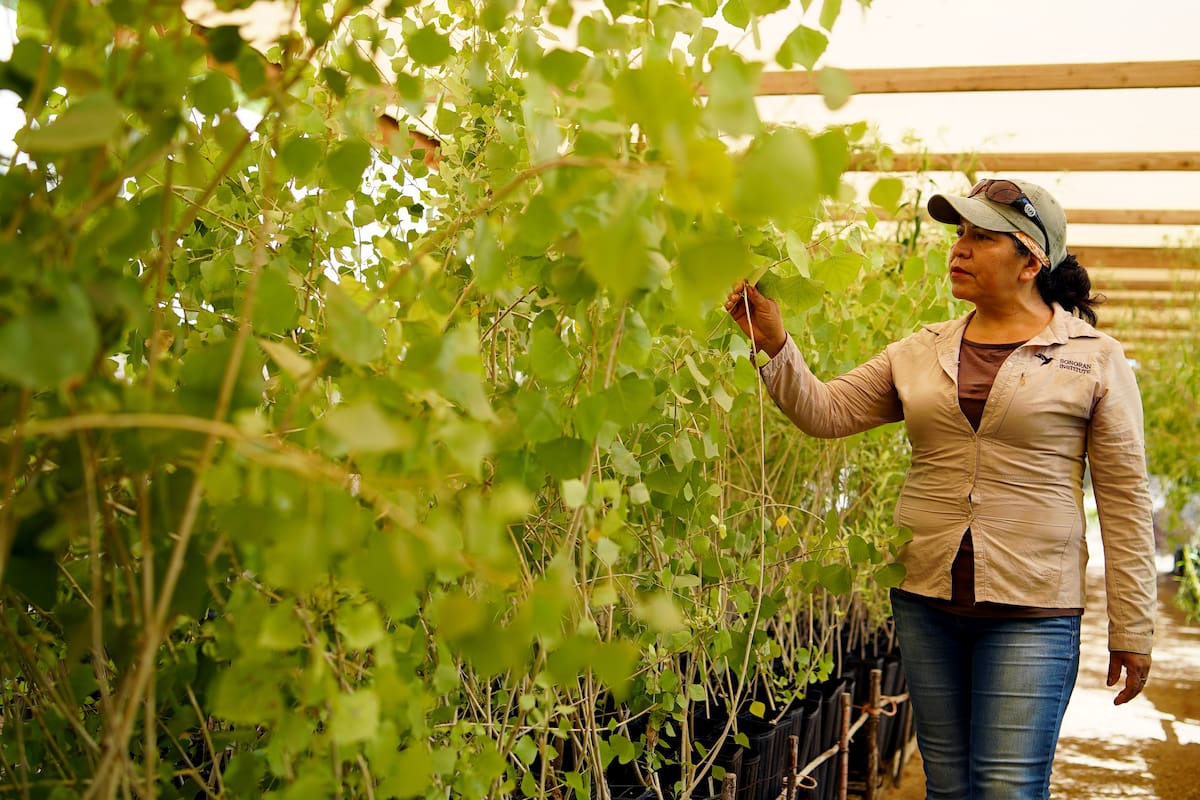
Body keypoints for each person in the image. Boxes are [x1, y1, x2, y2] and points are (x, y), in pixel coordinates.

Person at [725, 178, 1156, 799]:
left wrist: (1132, 627)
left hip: (1033, 607)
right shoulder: (920, 350)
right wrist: (774, 344)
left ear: (1031, 261)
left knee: (1007, 787)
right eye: (959, 235)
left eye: (982, 238)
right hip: (927, 599)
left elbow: (1124, 499)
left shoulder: (1093, 357)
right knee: (948, 788)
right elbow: (826, 412)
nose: (959, 250)